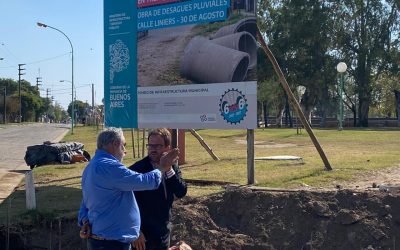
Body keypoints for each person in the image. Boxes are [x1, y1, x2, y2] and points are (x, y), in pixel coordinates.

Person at [78, 127, 179, 250]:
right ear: (116, 144)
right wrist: (162, 168)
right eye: (123, 146)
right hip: (112, 243)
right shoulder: (109, 167)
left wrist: (85, 221)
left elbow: (86, 201)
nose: (124, 151)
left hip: (104, 240)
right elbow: (145, 181)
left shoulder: (91, 167)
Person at [130, 128, 187, 250]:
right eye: (150, 145)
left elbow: (181, 191)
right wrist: (135, 231)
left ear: (167, 148)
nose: (153, 149)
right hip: (142, 236)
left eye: (158, 146)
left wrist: (168, 169)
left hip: (163, 232)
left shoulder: (172, 166)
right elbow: (126, 203)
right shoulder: (137, 169)